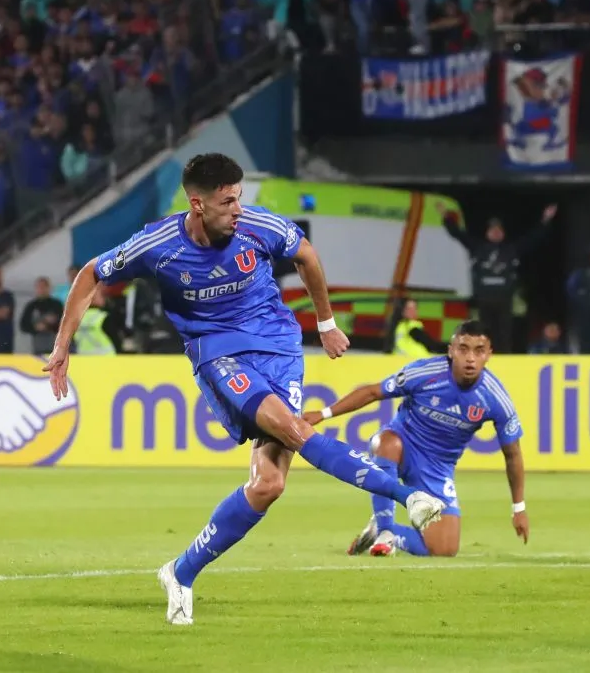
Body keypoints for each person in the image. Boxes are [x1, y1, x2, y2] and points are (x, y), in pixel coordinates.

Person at [43, 153, 445, 626]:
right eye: (228, 200)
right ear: (197, 203)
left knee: (269, 484)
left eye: (240, 198)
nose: (238, 208)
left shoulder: (259, 227)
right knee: (294, 429)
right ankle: (405, 497)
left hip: (280, 347)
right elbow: (92, 273)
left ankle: (180, 572)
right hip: (218, 352)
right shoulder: (160, 244)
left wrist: (327, 323)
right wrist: (62, 345)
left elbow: (307, 256)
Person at [304, 320, 529, 558]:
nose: (470, 358)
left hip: (437, 467)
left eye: (479, 350)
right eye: (463, 349)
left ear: (489, 355)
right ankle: (385, 529)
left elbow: (512, 454)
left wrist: (519, 508)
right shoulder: (426, 373)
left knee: (444, 549)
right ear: (451, 350)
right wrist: (323, 413)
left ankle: (386, 534)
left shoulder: (495, 399)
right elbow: (372, 392)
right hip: (403, 445)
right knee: (385, 442)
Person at [440, 202, 556, 353]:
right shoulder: (478, 247)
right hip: (484, 299)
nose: (495, 233)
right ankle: (484, 359)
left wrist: (546, 220)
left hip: (504, 300)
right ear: (487, 232)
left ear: (503, 233)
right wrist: (446, 217)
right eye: (492, 230)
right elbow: (458, 234)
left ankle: (504, 362)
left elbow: (533, 239)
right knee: (484, 333)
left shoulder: (511, 249)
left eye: (498, 230)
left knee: (504, 335)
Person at [20, 276, 63, 355]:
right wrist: (35, 327)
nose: (41, 289)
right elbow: (23, 326)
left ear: (48, 288)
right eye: (39, 287)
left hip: (55, 346)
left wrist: (52, 324)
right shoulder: (31, 306)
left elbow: (64, 324)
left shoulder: (57, 305)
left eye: (43, 287)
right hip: (37, 347)